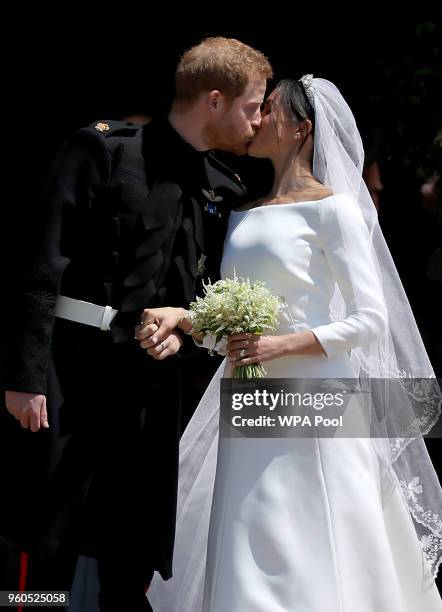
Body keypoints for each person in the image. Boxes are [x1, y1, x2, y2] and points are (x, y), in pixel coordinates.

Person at [137, 77, 442, 611]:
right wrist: (187, 320)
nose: (257, 117)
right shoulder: (243, 210)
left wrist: (281, 346)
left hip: (315, 394)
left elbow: (370, 320)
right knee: (247, 526)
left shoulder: (334, 210)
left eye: (268, 109)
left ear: (300, 129)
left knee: (313, 527)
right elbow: (238, 327)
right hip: (247, 393)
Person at [1, 37, 272, 611]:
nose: (259, 121)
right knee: (46, 540)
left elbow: (206, 299)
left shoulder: (223, 187)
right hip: (68, 376)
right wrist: (26, 375)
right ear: (215, 100)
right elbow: (42, 262)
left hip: (151, 391)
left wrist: (182, 336)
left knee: (133, 549)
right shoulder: (101, 150)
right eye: (253, 106)